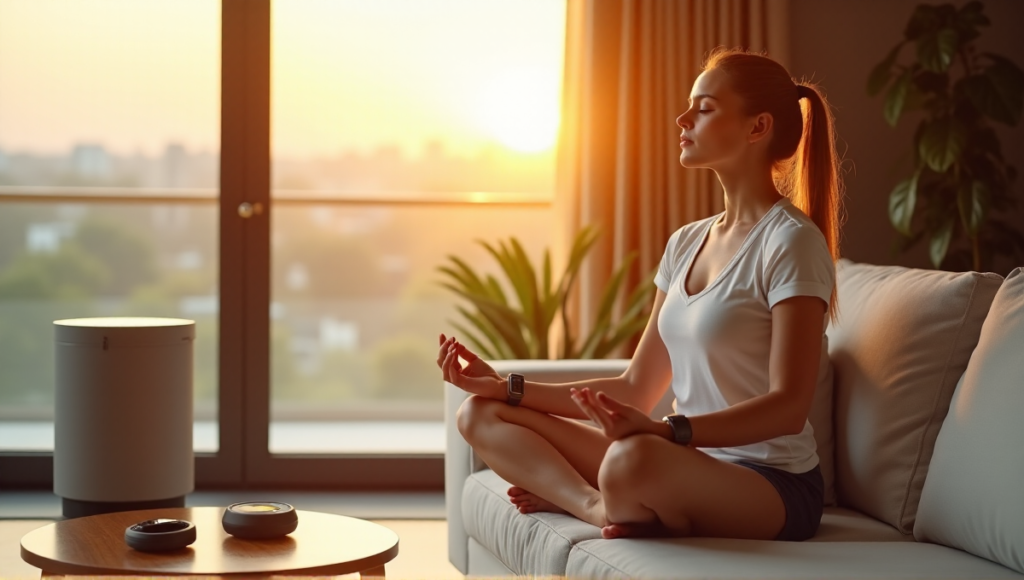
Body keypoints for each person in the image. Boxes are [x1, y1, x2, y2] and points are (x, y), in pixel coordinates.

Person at [437, 45, 844, 542]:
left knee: (633, 458)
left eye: (705, 108)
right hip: (682, 461)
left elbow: (788, 406)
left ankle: (612, 496)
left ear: (757, 128)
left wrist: (669, 432)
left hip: (771, 484)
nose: (682, 117)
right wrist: (505, 387)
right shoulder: (686, 242)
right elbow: (636, 386)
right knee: (480, 413)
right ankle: (594, 506)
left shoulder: (792, 242)